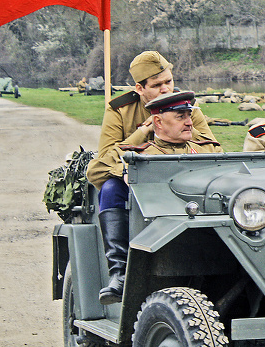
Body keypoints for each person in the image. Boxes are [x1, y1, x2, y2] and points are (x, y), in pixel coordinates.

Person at [86, 91, 222, 305]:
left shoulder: (207, 149)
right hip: (158, 235)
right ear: (157, 121)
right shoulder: (141, 156)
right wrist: (124, 170)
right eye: (181, 116)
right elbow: (95, 171)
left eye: (189, 115)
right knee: (111, 188)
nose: (189, 123)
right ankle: (120, 272)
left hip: (212, 235)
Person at [97, 51, 214, 156]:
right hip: (133, 172)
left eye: (168, 81)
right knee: (110, 181)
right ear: (140, 89)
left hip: (181, 168)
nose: (165, 89)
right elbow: (105, 158)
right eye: (156, 85)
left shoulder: (188, 106)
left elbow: (214, 149)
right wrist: (144, 130)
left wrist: (181, 125)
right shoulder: (120, 110)